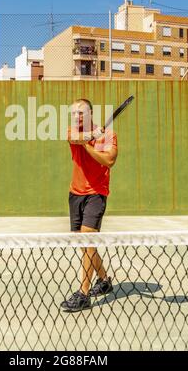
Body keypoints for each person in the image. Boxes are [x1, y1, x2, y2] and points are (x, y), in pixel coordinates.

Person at [61, 98, 118, 312]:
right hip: (75, 193)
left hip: (97, 193)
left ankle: (83, 293)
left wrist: (89, 142)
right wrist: (87, 137)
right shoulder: (71, 132)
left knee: (87, 238)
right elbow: (73, 138)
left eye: (81, 113)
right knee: (85, 245)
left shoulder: (108, 136)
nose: (77, 117)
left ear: (90, 114)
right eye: (74, 113)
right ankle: (104, 280)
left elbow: (109, 161)